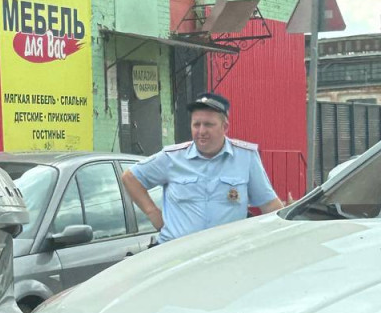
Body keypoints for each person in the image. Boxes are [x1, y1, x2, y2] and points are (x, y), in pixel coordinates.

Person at [121, 92, 284, 244]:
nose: (201, 131)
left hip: (225, 255)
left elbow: (269, 205)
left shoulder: (245, 157)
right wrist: (153, 214)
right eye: (196, 124)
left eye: (208, 125)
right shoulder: (172, 157)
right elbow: (130, 177)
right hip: (176, 254)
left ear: (225, 127)